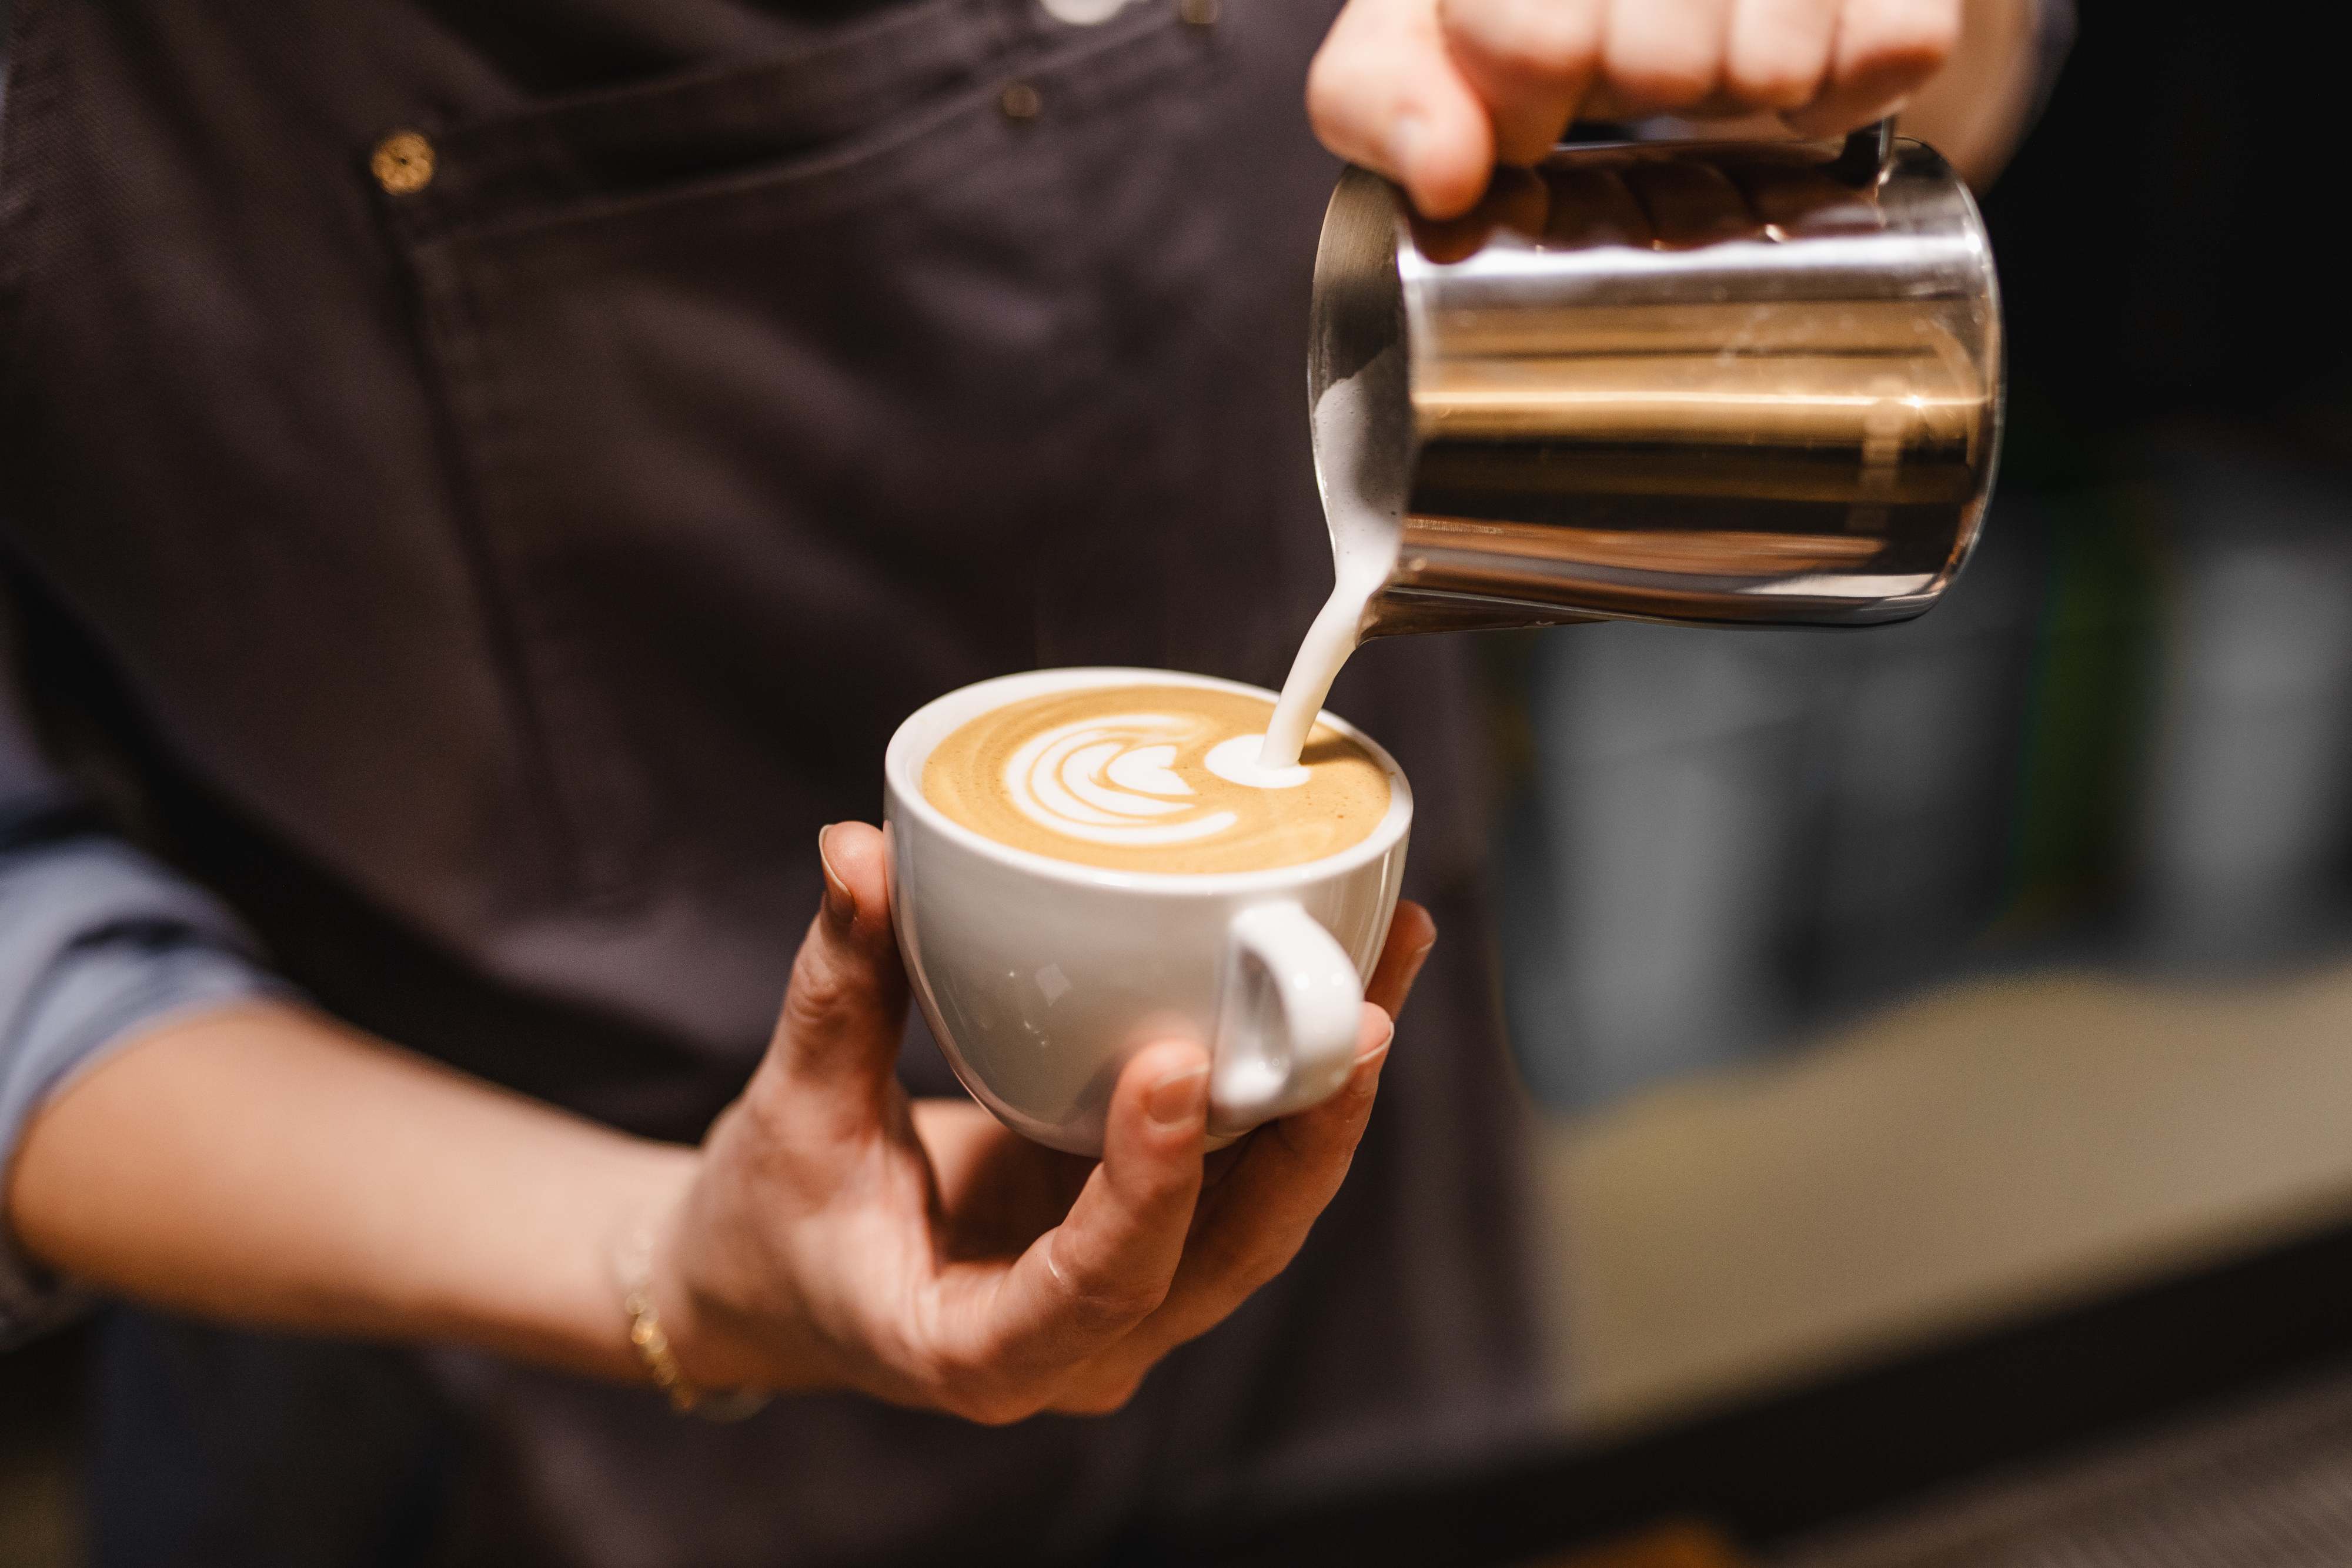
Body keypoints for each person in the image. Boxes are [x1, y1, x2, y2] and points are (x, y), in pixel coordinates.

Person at [0, 0, 2053, 1559]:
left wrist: (1863, 53)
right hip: (489, 1421)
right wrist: (668, 1266)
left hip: (1367, 1316)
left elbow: (1936, 102)